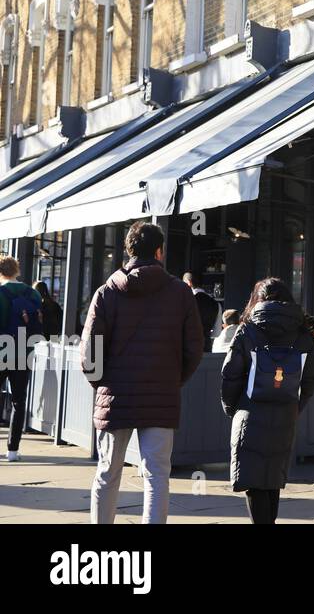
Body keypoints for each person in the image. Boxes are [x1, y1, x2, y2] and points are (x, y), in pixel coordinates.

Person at [81, 222, 204, 524]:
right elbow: (194, 349)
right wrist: (173, 380)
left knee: (108, 472)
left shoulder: (107, 292)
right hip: (160, 395)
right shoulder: (180, 293)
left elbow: (89, 355)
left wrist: (102, 384)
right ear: (160, 252)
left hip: (115, 394)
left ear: (128, 250)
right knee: (157, 474)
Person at [219, 278, 314, 524]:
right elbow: (309, 382)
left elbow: (230, 375)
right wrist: (294, 409)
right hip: (285, 415)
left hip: (250, 412)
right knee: (273, 479)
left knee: (254, 481)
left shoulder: (247, 331)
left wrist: (233, 408)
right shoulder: (303, 335)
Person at [0, 257, 43, 462]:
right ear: (17, 269)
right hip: (23, 353)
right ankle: (12, 451)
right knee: (19, 402)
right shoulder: (32, 293)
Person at [184, 273, 219, 351]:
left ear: (189, 283)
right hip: (206, 345)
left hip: (187, 346)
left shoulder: (186, 302)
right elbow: (217, 333)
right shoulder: (215, 303)